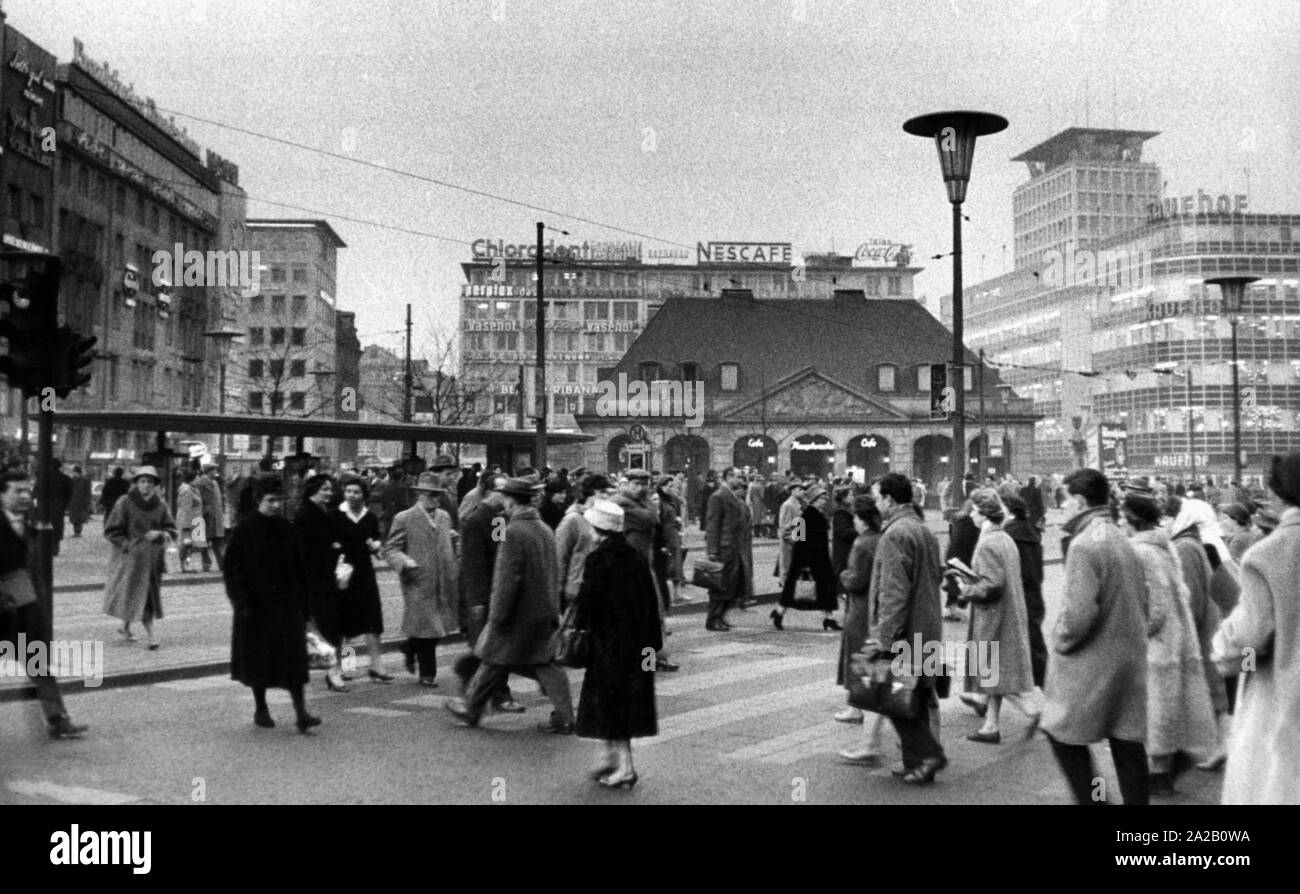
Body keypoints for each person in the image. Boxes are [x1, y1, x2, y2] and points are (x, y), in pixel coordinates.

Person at [1041, 468, 1150, 805]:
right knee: (1127, 742)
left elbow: (1078, 615)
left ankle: (1094, 801)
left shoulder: (1084, 544)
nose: (1062, 506)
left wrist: (1060, 641)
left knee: (1062, 733)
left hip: (1094, 662)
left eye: (1064, 499)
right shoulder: (1117, 535)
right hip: (1129, 655)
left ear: (1079, 500)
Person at [446, 477, 576, 733]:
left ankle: (472, 709)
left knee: (495, 658)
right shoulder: (544, 529)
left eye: (505, 498)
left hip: (517, 613)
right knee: (537, 663)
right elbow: (554, 571)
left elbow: (506, 580)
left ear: (511, 501)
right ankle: (565, 716)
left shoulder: (513, 532)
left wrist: (497, 616)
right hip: (543, 610)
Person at [1212, 451, 1300, 803]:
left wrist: (1225, 650)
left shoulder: (1269, 553)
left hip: (1282, 697)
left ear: (1279, 495)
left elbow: (1251, 638)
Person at [1119, 483, 1216, 796]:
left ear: (1133, 519)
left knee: (1155, 714)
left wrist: (1133, 631)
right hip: (1176, 642)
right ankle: (1166, 768)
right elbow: (1182, 594)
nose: (1120, 523)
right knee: (1165, 711)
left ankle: (1161, 774)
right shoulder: (1166, 546)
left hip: (1158, 648)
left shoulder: (1141, 552)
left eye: (1122, 518)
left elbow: (1155, 607)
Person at [573, 500, 661, 789]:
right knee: (626, 704)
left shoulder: (598, 560)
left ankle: (625, 767)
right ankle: (613, 758)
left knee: (613, 706)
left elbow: (589, 606)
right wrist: (652, 649)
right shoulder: (635, 557)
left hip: (609, 646)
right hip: (638, 645)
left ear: (598, 528)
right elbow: (650, 603)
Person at [222, 474, 320, 733]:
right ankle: (261, 707)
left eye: (280, 500)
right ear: (258, 501)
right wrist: (241, 602)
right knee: (259, 659)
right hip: (257, 607)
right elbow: (232, 569)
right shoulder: (245, 530)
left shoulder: (287, 528)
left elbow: (300, 568)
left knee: (294, 661)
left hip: (287, 606)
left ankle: (301, 713)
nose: (277, 505)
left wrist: (306, 605)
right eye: (271, 500)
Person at [867, 473, 946, 784]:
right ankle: (916, 760)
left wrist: (885, 637)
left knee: (895, 695)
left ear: (889, 500)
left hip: (905, 630)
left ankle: (928, 755)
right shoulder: (923, 529)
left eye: (877, 498)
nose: (876, 504)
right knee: (916, 695)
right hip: (927, 624)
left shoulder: (895, 534)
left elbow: (894, 592)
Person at [0, 470, 88, 739]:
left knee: (38, 662)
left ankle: (57, 719)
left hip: (23, 606)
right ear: (2, 493)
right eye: (18, 490)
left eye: (28, 490)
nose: (26, 495)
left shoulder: (30, 523)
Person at [948, 488, 1041, 743]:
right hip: (1008, 612)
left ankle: (1032, 710)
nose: (973, 517)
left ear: (984, 514)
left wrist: (964, 588)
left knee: (990, 671)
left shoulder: (988, 542)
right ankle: (991, 725)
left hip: (993, 616)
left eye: (976, 512)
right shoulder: (1005, 538)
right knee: (994, 669)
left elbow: (991, 584)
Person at [454, 471, 523, 713]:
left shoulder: (497, 518)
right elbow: (473, 564)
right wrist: (478, 601)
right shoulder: (476, 520)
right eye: (500, 491)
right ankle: (493, 694)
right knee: (488, 648)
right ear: (486, 492)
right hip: (481, 597)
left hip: (495, 592)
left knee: (491, 647)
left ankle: (481, 691)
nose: (505, 496)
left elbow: (499, 554)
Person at [384, 472, 460, 687]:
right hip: (418, 580)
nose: (436, 499)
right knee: (428, 628)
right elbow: (391, 548)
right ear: (420, 494)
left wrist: (453, 542)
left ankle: (410, 647)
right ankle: (428, 674)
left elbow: (449, 540)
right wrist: (403, 561)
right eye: (431, 495)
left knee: (437, 627)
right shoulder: (404, 518)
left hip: (443, 581)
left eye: (438, 495)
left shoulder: (444, 516)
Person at [102, 466, 176, 650]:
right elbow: (111, 530)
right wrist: (128, 545)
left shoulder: (160, 505)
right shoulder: (124, 502)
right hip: (131, 560)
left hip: (152, 561)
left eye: (150, 482)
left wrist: (159, 533)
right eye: (142, 481)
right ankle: (151, 636)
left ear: (155, 485)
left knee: (143, 596)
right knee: (139, 595)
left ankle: (125, 627)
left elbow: (172, 530)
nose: (146, 485)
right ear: (136, 483)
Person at [835, 495, 886, 761]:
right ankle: (859, 708)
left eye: (856, 518)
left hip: (860, 608)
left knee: (858, 657)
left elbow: (855, 579)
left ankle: (858, 706)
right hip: (874, 607)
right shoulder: (881, 539)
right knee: (868, 661)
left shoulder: (863, 543)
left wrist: (843, 575)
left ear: (862, 520)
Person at [335, 475, 392, 682]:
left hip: (365, 573)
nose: (351, 495)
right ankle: (347, 666)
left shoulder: (370, 518)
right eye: (348, 491)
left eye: (356, 492)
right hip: (344, 573)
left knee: (372, 620)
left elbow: (376, 541)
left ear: (364, 495)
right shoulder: (337, 516)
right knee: (345, 623)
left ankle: (376, 665)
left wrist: (376, 547)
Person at [294, 474, 347, 691]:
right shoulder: (306, 515)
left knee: (334, 626)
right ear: (313, 490)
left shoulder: (327, 513)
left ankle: (338, 669)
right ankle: (333, 671)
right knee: (326, 627)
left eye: (330, 489)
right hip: (314, 579)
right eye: (324, 489)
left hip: (329, 577)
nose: (329, 492)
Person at [772, 485, 840, 631]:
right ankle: (779, 612)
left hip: (820, 558)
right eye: (822, 497)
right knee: (793, 591)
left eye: (825, 497)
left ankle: (829, 618)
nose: (825, 500)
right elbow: (799, 539)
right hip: (808, 559)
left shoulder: (818, 514)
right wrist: (804, 563)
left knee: (826, 589)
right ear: (814, 500)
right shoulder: (806, 516)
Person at [1001, 495, 1048, 689]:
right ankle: (984, 699)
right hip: (1032, 595)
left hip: (1018, 597)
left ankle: (1052, 697)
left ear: (1008, 511)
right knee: (1032, 647)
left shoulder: (1008, 535)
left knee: (1023, 650)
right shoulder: (1029, 531)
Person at [703, 467, 752, 632]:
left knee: (732, 584)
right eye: (738, 477)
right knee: (720, 585)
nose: (741, 481)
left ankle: (721, 616)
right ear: (728, 477)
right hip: (724, 548)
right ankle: (713, 618)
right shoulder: (718, 496)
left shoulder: (732, 496)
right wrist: (712, 550)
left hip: (735, 547)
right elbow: (712, 524)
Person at [556, 474, 609, 613]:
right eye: (602, 492)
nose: (606, 497)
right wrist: (559, 589)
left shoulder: (606, 518)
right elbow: (561, 555)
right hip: (578, 586)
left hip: (600, 585)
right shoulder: (498, 516)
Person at [944, 499, 979, 622]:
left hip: (952, 554)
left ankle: (951, 609)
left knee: (954, 582)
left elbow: (951, 534)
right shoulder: (971, 524)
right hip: (963, 556)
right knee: (961, 583)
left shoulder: (956, 519)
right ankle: (954, 609)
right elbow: (971, 542)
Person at [656, 475, 686, 606]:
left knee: (677, 565)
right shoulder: (658, 500)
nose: (671, 488)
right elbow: (658, 521)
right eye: (668, 486)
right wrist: (662, 541)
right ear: (661, 486)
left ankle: (678, 594)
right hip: (666, 536)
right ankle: (667, 596)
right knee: (668, 567)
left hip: (674, 535)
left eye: (672, 486)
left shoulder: (671, 500)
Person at [174, 469, 209, 573]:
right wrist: (186, 527)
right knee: (185, 544)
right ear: (192, 479)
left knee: (195, 545)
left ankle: (187, 565)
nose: (199, 480)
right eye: (197, 478)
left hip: (196, 522)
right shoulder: (187, 491)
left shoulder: (194, 489)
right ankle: (182, 567)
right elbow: (186, 509)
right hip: (189, 523)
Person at [195, 462, 227, 571]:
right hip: (206, 517)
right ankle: (206, 563)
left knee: (217, 542)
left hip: (216, 517)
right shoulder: (200, 483)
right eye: (214, 470)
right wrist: (204, 511)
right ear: (209, 471)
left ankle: (221, 565)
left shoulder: (215, 483)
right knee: (204, 541)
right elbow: (198, 500)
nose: (216, 471)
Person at [777, 481, 806, 582]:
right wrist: (795, 540)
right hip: (790, 545)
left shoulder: (799, 504)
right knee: (788, 571)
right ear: (792, 491)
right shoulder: (788, 505)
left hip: (798, 542)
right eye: (800, 490)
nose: (803, 492)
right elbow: (784, 527)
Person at [67, 466, 93, 537]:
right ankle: (76, 531)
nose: (74, 474)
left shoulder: (85, 481)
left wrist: (87, 502)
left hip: (81, 502)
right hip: (73, 502)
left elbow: (88, 492)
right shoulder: (71, 481)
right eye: (73, 472)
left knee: (79, 518)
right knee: (74, 519)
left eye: (75, 472)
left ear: (79, 473)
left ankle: (78, 532)